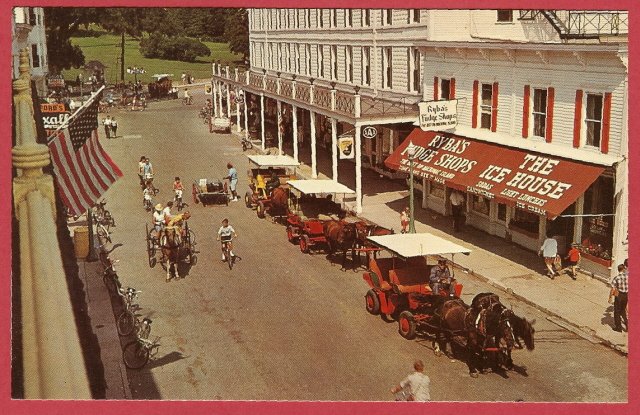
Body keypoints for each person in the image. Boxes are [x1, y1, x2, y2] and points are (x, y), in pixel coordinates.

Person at [609, 264, 628, 332]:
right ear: (623, 269)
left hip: (619, 295)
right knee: (623, 310)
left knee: (617, 311)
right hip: (626, 295)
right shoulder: (627, 277)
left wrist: (610, 297)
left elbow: (613, 289)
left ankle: (618, 328)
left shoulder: (616, 278)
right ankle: (627, 325)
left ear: (618, 270)